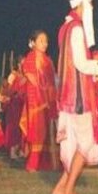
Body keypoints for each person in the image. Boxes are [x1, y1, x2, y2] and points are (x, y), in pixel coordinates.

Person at [51, 0, 98, 194]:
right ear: (81, 4)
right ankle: (67, 191)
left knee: (77, 145)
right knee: (85, 144)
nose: (91, 9)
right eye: (89, 5)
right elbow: (80, 63)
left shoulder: (65, 28)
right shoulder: (76, 29)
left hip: (69, 95)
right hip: (77, 97)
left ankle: (60, 189)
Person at [19, 30, 58, 172]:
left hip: (47, 101)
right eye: (41, 41)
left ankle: (46, 163)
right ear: (33, 43)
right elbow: (30, 76)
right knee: (37, 133)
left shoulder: (48, 61)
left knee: (47, 133)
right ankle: (32, 164)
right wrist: (41, 92)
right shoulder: (30, 57)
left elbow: (52, 82)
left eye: (46, 41)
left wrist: (51, 99)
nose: (45, 44)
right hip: (36, 101)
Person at [2, 56, 27, 160]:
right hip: (14, 105)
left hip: (24, 105)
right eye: (21, 64)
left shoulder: (27, 77)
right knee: (13, 127)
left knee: (22, 128)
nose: (23, 66)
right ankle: (12, 151)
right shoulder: (13, 75)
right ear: (18, 65)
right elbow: (7, 90)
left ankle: (21, 150)